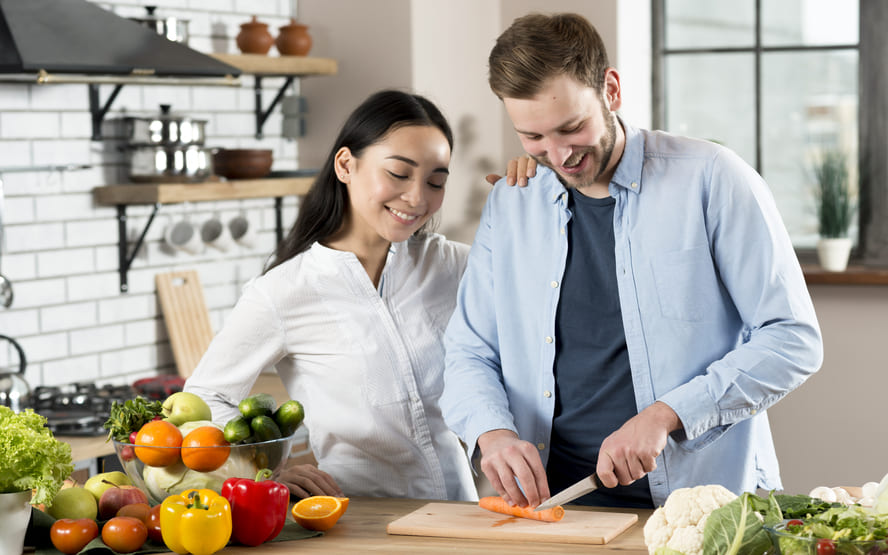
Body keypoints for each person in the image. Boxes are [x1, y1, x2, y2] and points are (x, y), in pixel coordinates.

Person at [440, 12, 823, 510]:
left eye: (571, 127)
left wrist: (667, 414)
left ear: (612, 90)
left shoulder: (712, 179)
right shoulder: (512, 202)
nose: (558, 155)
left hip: (705, 506)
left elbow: (792, 338)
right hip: (557, 510)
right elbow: (470, 349)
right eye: (533, 138)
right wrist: (491, 432)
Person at [184, 89, 478, 501]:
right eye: (398, 173)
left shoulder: (453, 266)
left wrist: (528, 196)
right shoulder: (284, 291)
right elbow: (203, 397)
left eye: (436, 181)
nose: (417, 198)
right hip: (361, 522)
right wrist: (261, 472)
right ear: (345, 164)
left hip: (462, 516)